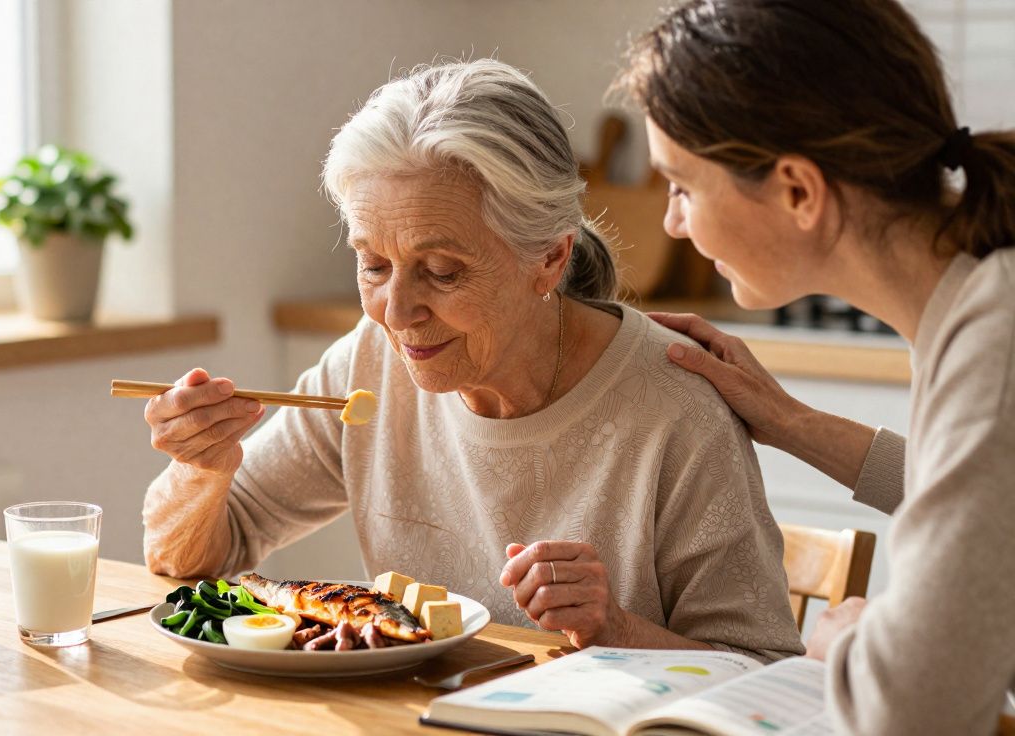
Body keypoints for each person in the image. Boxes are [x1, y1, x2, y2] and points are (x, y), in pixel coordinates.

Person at [141, 59, 802, 661]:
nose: (395, 312)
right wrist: (204, 472)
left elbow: (765, 680)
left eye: (441, 271)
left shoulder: (675, 407)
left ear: (548, 258)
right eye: (372, 264)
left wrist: (617, 630)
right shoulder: (372, 363)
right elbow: (187, 559)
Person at [611, 0, 1015, 732]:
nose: (673, 222)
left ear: (798, 190)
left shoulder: (997, 337)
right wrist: (791, 423)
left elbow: (912, 710)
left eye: (681, 186)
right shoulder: (977, 301)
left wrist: (840, 640)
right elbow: (986, 500)